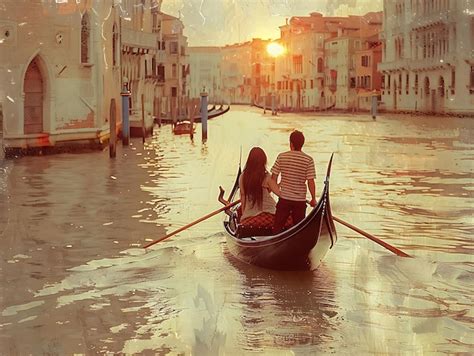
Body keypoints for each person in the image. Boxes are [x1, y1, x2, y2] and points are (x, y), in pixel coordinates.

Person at [271, 130, 316, 234]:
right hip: (300, 201)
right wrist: (313, 199)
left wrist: (277, 191)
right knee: (299, 230)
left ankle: (274, 245)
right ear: (302, 144)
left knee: (277, 228)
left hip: (284, 199)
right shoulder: (308, 160)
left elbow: (273, 177)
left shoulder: (282, 156)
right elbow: (310, 182)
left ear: (291, 143)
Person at [238, 147, 281, 236]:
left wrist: (243, 216)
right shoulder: (266, 176)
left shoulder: (243, 176)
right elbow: (278, 192)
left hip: (250, 214)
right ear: (263, 161)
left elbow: (243, 196)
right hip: (270, 213)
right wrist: (281, 183)